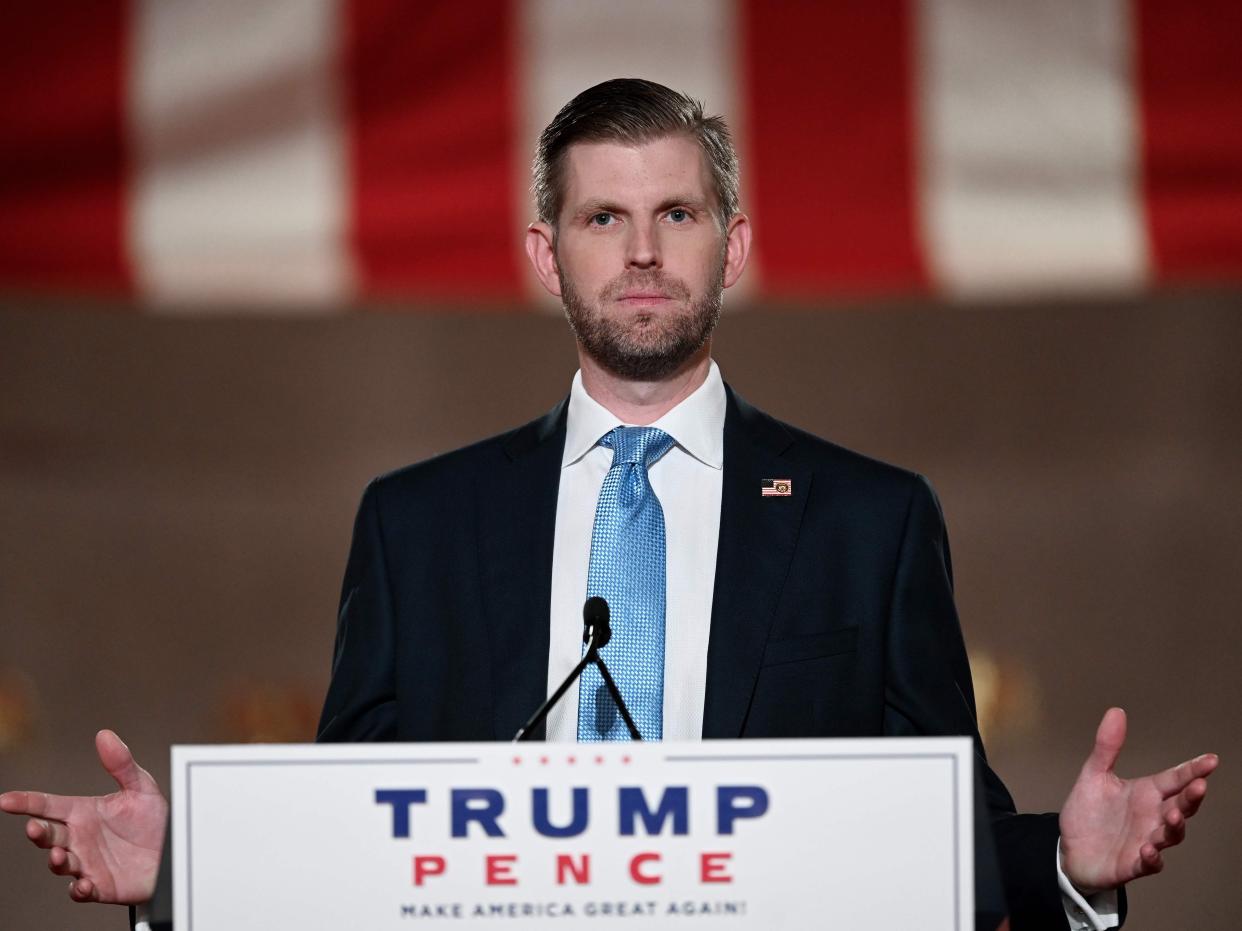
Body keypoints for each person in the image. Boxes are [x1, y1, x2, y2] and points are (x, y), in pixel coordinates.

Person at [1, 79, 1217, 930]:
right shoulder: (415, 525)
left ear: (730, 248)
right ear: (549, 256)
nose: (642, 253)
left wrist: (1068, 866)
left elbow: (938, 831)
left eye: (676, 215)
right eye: (603, 218)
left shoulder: (870, 520)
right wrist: (183, 879)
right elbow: (355, 837)